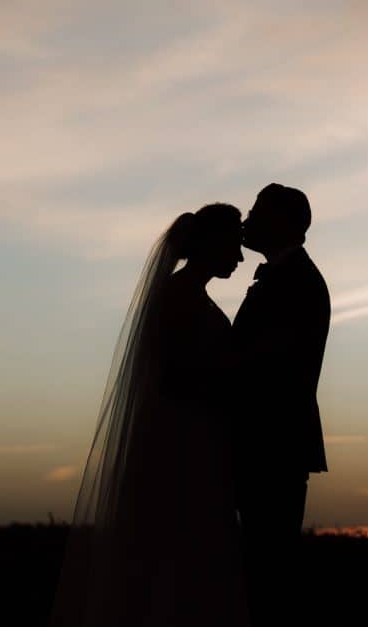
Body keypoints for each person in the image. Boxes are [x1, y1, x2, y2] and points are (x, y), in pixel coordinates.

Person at [50, 203, 249, 627]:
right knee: (174, 560)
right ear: (211, 244)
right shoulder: (178, 299)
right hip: (181, 448)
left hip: (199, 443)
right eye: (234, 245)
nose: (240, 256)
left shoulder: (190, 296)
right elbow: (173, 377)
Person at [232, 184, 331, 625]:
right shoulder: (283, 276)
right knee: (260, 566)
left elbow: (270, 364)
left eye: (255, 212)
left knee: (269, 570)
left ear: (282, 222)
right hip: (263, 444)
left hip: (273, 444)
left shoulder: (300, 282)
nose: (246, 221)